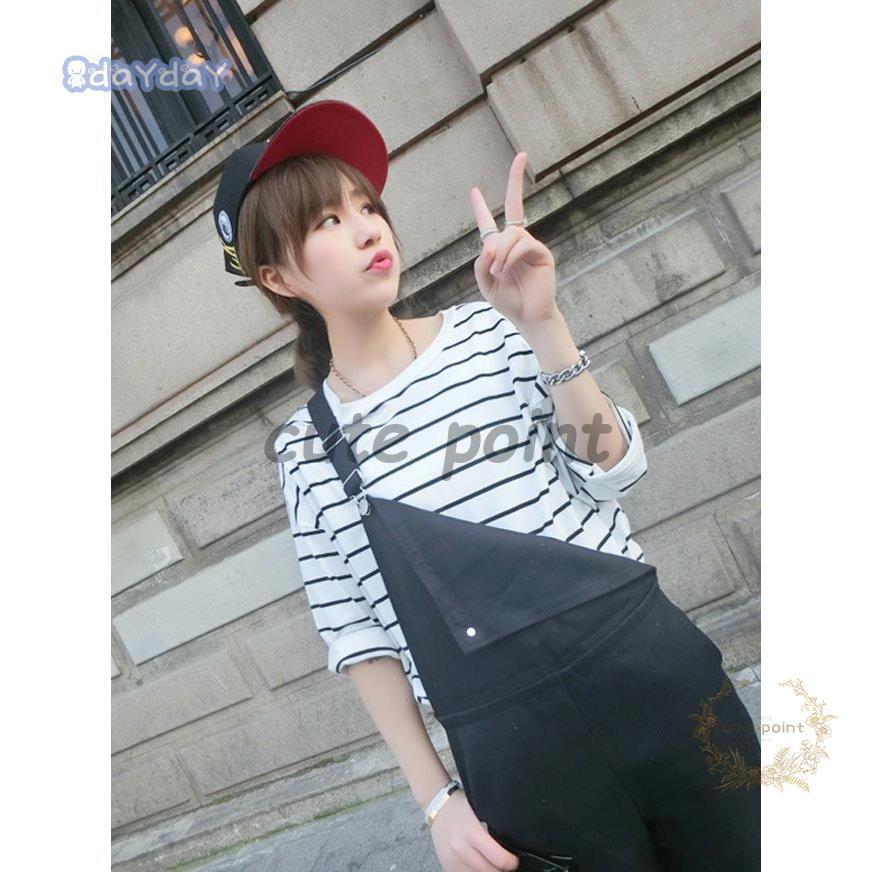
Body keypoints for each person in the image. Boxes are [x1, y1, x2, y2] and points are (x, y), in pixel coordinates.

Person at [213, 100, 761, 872]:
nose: (368, 230)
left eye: (367, 207)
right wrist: (437, 800)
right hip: (519, 757)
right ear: (276, 276)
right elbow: (358, 635)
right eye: (328, 221)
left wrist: (544, 326)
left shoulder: (488, 332)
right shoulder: (309, 452)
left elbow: (612, 469)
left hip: (654, 677)